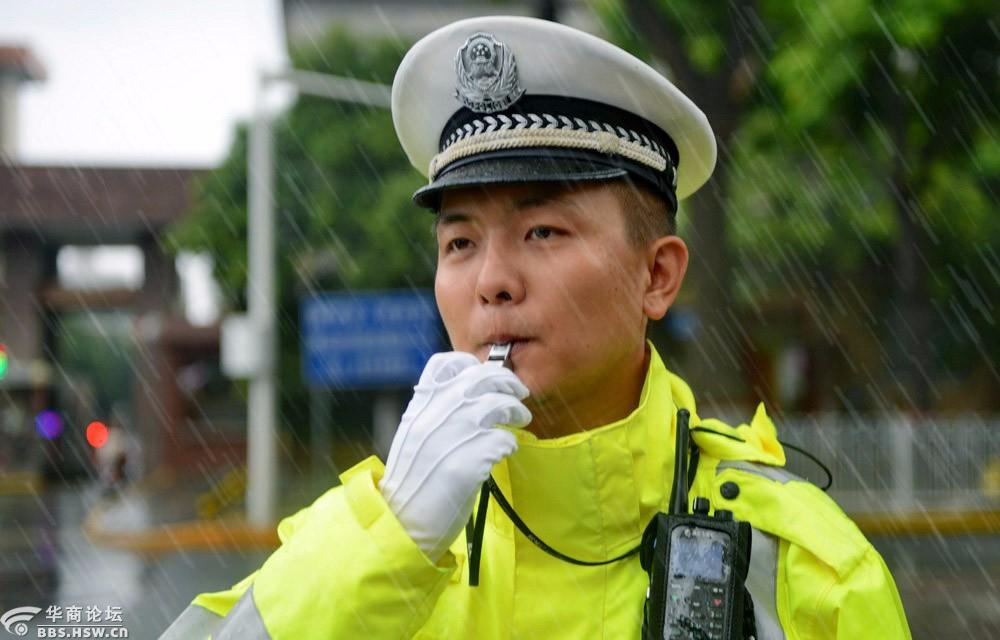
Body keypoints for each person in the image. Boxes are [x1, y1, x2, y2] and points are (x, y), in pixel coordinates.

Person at [161, 16, 910, 639]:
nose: (490, 280)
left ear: (657, 276)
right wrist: (386, 548)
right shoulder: (379, 532)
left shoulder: (810, 569)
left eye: (543, 232)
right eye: (459, 243)